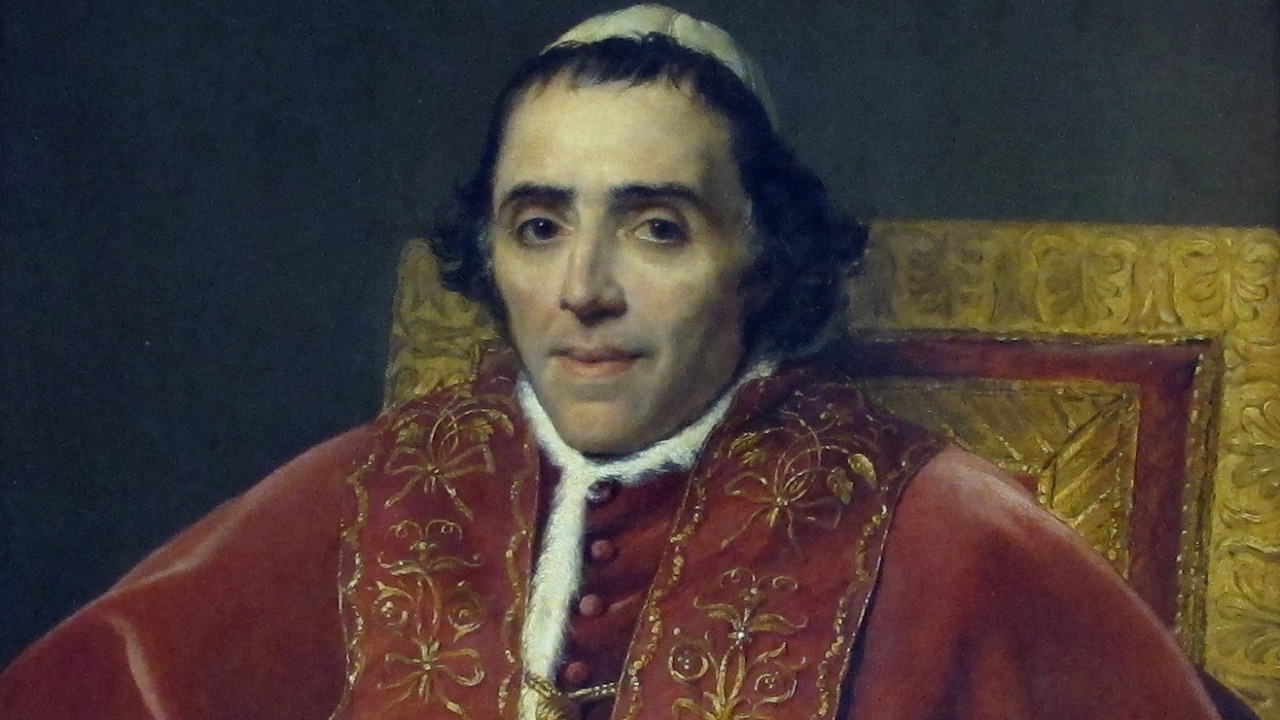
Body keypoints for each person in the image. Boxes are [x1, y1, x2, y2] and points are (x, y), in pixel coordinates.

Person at [0, 6, 1237, 720]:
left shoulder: (938, 525)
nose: (583, 289)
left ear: (760, 257)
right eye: (538, 226)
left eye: (655, 227)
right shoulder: (377, 485)